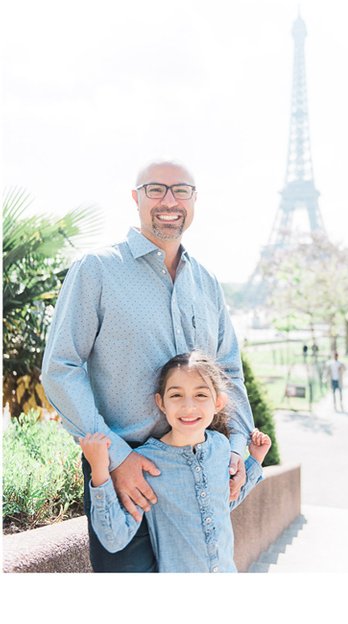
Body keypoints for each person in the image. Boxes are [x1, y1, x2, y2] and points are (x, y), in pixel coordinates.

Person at [41, 159, 256, 572]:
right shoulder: (98, 270)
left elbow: (228, 371)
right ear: (135, 198)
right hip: (127, 472)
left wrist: (235, 448)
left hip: (196, 467)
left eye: (181, 191)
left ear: (195, 201)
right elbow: (61, 367)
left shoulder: (206, 282)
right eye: (156, 189)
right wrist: (117, 457)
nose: (169, 201)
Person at [78, 352, 271, 572]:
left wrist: (255, 460)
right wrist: (100, 471)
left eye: (200, 395)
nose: (188, 407)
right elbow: (114, 538)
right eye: (176, 395)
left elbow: (224, 503)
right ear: (161, 402)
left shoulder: (221, 447)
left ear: (218, 402)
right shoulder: (147, 463)